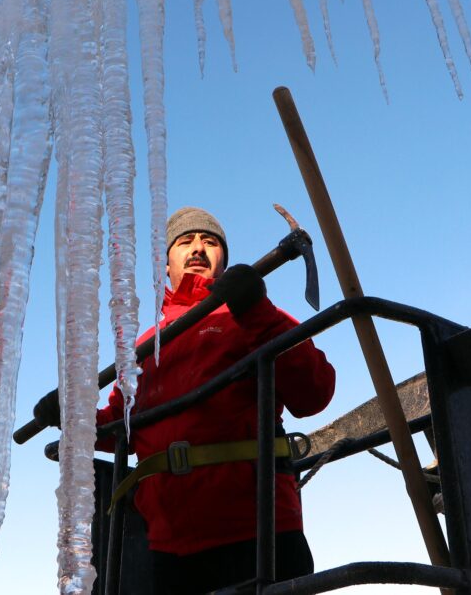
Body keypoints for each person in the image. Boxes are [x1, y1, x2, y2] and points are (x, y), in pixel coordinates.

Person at [96, 206, 335, 594]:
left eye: (209, 241)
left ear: (222, 260)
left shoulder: (253, 315)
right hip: (168, 547)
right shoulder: (141, 348)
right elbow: (117, 429)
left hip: (258, 532)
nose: (197, 248)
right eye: (185, 241)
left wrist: (256, 310)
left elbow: (315, 392)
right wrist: (72, 417)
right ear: (165, 263)